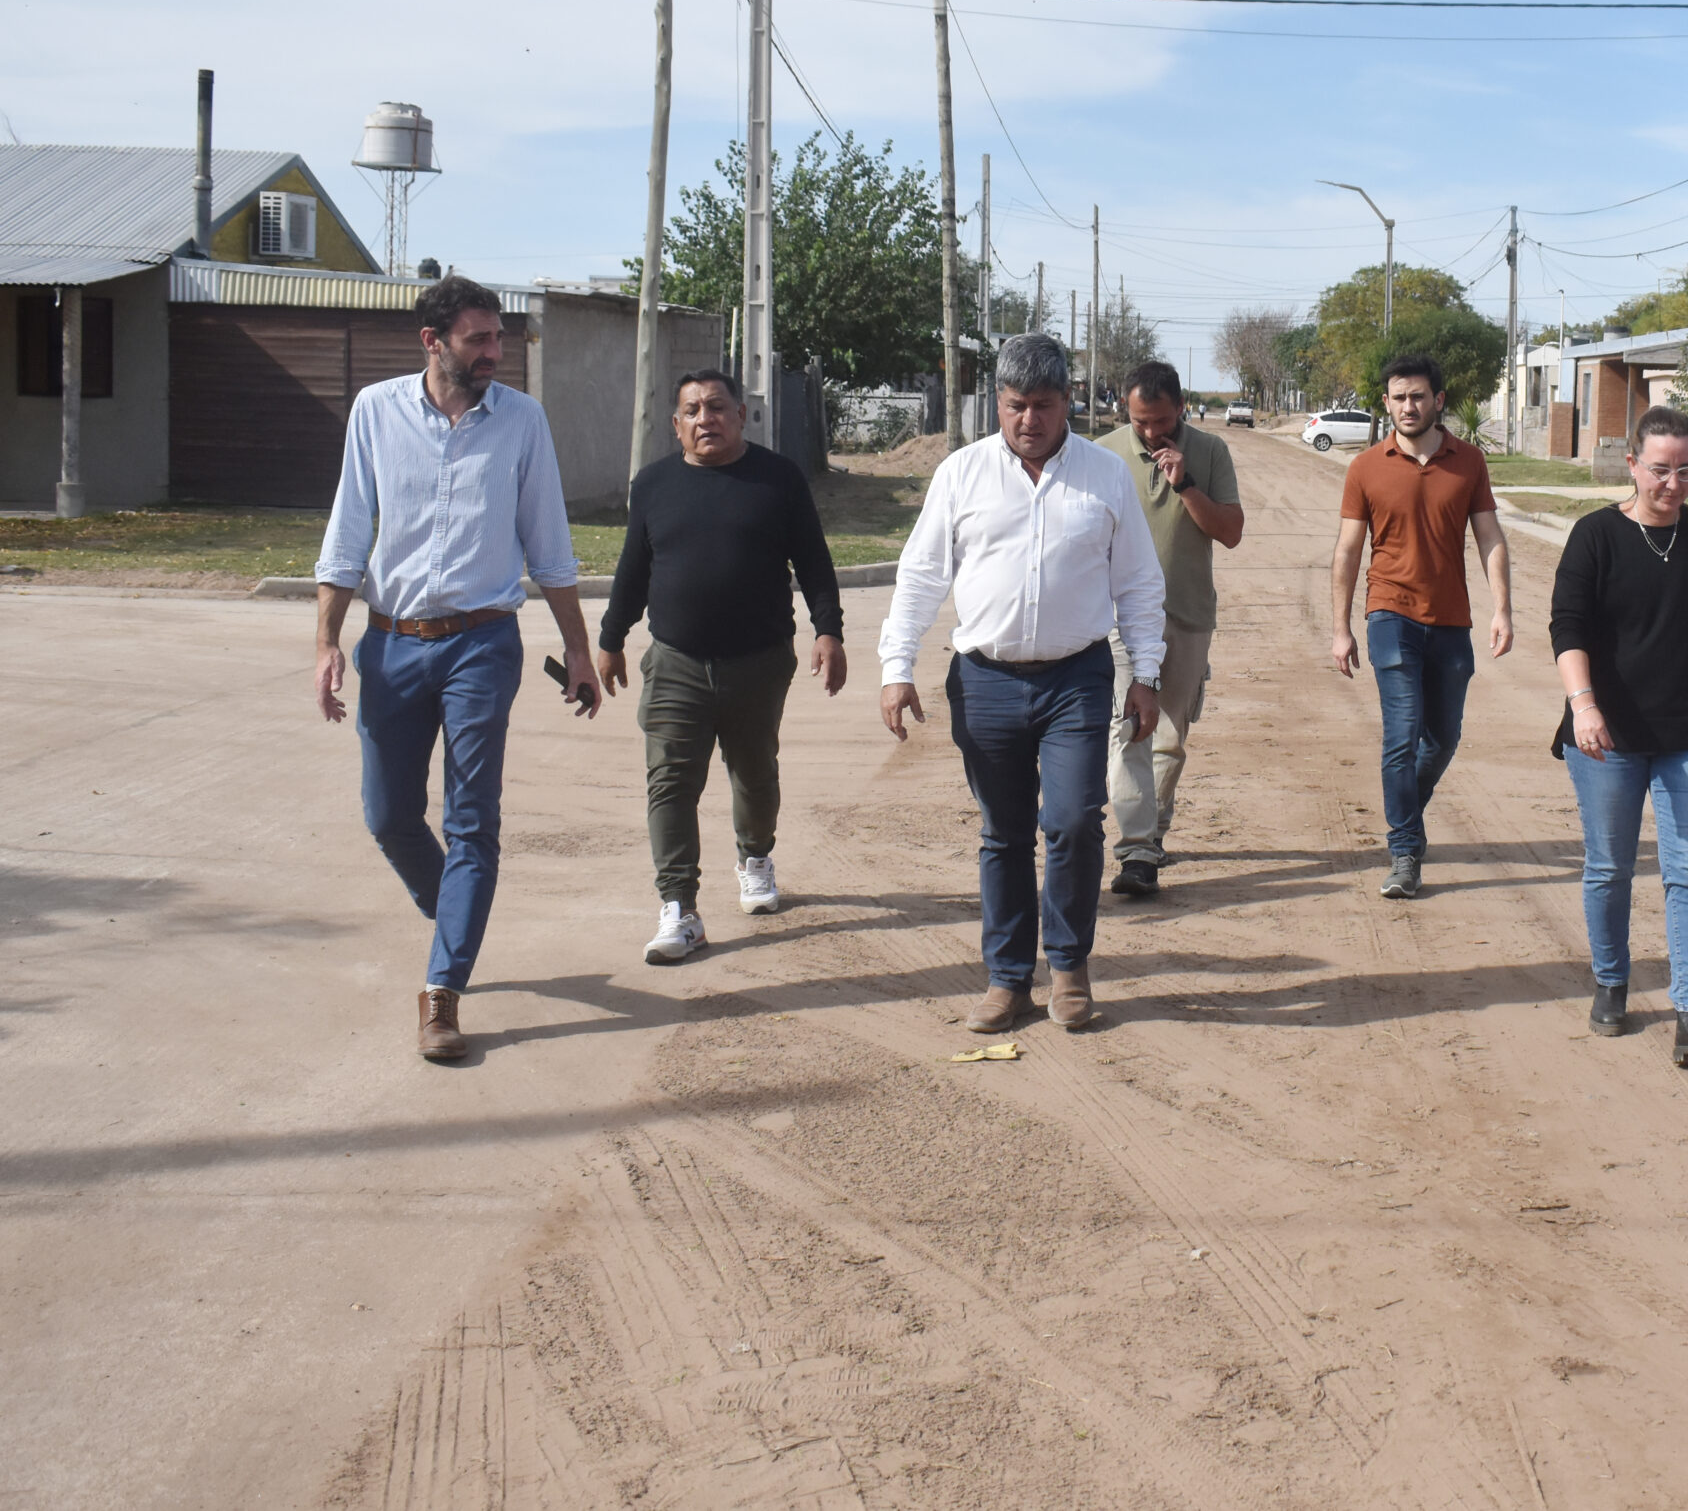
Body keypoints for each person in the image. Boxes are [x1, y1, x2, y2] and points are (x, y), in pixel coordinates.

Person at [312, 274, 600, 1062]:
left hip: (483, 643)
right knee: (389, 816)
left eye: (498, 338)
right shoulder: (376, 411)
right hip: (392, 644)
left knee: (472, 820)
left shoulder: (522, 421)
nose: (494, 353)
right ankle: (457, 918)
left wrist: (578, 649)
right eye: (478, 340)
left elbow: (550, 547)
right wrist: (326, 642)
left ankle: (443, 990)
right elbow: (347, 533)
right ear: (432, 342)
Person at [878, 332, 1166, 1034]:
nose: (1028, 419)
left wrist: (1147, 673)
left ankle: (1068, 966)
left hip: (1076, 680)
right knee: (1004, 834)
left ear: (1068, 401)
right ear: (998, 404)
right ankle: (1008, 979)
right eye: (1014, 405)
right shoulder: (962, 474)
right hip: (985, 682)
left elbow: (1137, 582)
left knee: (1073, 821)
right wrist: (896, 668)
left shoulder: (1105, 475)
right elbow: (920, 577)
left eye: (1042, 405)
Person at [596, 369, 846, 966]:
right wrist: (610, 638)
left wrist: (828, 631)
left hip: (759, 663)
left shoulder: (778, 478)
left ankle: (755, 856)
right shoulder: (653, 485)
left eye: (715, 407)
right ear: (676, 424)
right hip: (675, 663)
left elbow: (814, 561)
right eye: (692, 410)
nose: (704, 419)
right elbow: (633, 570)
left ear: (741, 415)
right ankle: (679, 906)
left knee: (755, 776)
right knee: (670, 782)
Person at [1552, 404, 1688, 1067]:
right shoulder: (1595, 535)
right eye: (1660, 469)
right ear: (1632, 465)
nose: (1673, 483)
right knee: (1610, 866)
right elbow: (1567, 627)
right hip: (1608, 733)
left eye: (1686, 470)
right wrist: (1583, 706)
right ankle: (1611, 982)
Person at [1329, 352, 1513, 899]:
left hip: (1451, 619)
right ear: (1386, 403)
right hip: (1390, 614)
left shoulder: (1469, 462)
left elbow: (1490, 537)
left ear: (1438, 401)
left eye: (1417, 397)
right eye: (1398, 398)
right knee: (1401, 734)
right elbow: (1347, 551)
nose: (1407, 406)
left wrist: (1503, 609)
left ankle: (1406, 807)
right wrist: (1341, 627)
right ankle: (1405, 852)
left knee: (1443, 738)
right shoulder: (1365, 467)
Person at [1100, 360, 1244, 897]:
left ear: (1181, 408)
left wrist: (1185, 483)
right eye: (1140, 421)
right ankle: (1138, 851)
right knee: (1129, 730)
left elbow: (1230, 531)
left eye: (1161, 421)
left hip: (1186, 614)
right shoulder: (1103, 455)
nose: (1150, 431)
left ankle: (1151, 832)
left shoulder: (1211, 452)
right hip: (1118, 620)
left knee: (1169, 737)